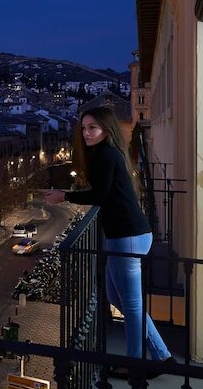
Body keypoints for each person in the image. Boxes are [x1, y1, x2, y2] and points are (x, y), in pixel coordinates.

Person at [43, 106, 174, 368]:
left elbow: (99, 196)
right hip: (123, 234)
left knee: (132, 303)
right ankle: (161, 355)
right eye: (83, 128)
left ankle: (136, 363)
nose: (86, 132)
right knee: (116, 298)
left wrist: (64, 196)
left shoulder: (105, 155)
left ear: (105, 129)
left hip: (129, 235)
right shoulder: (106, 153)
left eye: (92, 127)